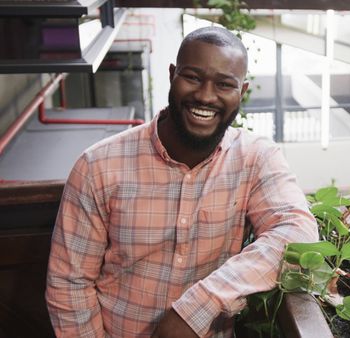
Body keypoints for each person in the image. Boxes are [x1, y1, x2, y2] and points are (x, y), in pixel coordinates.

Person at [45, 26, 318, 338]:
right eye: (193, 77)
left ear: (241, 93)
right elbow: (69, 282)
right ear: (173, 75)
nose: (205, 95)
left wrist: (197, 308)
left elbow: (298, 232)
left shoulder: (256, 157)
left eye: (224, 84)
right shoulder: (97, 165)